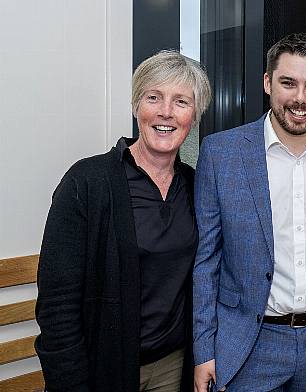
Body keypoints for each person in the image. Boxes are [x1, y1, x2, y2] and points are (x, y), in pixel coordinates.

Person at [192, 33, 306, 392]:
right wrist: (203, 349)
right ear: (267, 83)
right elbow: (205, 262)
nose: (300, 98)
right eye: (288, 83)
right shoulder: (221, 154)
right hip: (246, 344)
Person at [35, 50, 212, 392]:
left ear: (194, 115)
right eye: (153, 97)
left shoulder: (196, 186)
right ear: (135, 107)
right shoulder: (87, 182)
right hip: (103, 369)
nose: (166, 112)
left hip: (175, 367)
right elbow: (57, 306)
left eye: (181, 102)